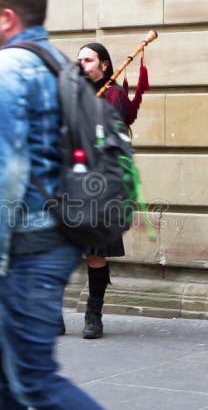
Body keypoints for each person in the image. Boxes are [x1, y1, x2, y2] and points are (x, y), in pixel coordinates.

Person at [0, 0, 104, 408]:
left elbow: (4, 173)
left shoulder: (4, 69)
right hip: (62, 233)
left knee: (33, 380)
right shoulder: (60, 64)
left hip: (26, 244)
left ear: (7, 18)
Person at [73, 42, 136, 339]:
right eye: (79, 60)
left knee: (94, 254)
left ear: (105, 65)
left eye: (88, 60)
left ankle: (93, 314)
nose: (82, 64)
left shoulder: (115, 96)